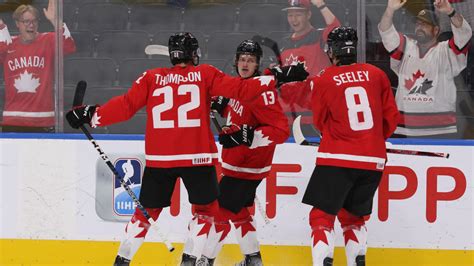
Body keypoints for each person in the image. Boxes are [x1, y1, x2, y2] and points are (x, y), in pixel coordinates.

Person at [65, 32, 308, 266]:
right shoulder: (205, 74)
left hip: (160, 159)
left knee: (146, 212)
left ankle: (122, 260)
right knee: (206, 212)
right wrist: (276, 76)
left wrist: (92, 114)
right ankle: (190, 260)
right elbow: (243, 90)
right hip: (198, 158)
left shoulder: (151, 77)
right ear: (194, 55)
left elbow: (126, 106)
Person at [302, 26, 399, 266]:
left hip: (337, 158)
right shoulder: (377, 75)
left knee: (322, 217)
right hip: (373, 160)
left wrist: (339, 138)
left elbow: (319, 121)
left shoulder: (324, 78)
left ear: (331, 51)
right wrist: (372, 140)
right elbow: (391, 120)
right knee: (354, 219)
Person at [196, 40, 290, 266]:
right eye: (242, 59)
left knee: (220, 213)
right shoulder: (241, 86)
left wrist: (246, 137)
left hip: (247, 168)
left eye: (251, 60)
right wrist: (223, 105)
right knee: (239, 214)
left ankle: (206, 260)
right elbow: (243, 112)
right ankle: (253, 258)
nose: (245, 63)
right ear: (236, 61)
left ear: (258, 64)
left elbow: (281, 130)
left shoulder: (262, 91)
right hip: (239, 164)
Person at [378, 0, 472, 137]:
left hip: (440, 130)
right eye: (417, 23)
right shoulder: (406, 47)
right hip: (404, 129)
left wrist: (450, 12)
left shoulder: (447, 51)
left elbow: (464, 33)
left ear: (436, 30)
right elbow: (385, 31)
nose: (419, 27)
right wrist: (390, 10)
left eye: (424, 24)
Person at [0, 0, 76, 132]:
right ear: (17, 23)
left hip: (43, 118)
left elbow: (70, 46)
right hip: (13, 118)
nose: (31, 25)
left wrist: (56, 21)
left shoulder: (48, 40)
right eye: (26, 21)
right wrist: (1, 27)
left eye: (34, 21)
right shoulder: (8, 43)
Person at [279, 0, 341, 123]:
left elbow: (336, 30)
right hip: (287, 116)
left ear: (308, 15)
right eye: (290, 15)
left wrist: (321, 5)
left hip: (313, 116)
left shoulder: (320, 37)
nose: (294, 20)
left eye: (298, 14)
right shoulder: (283, 44)